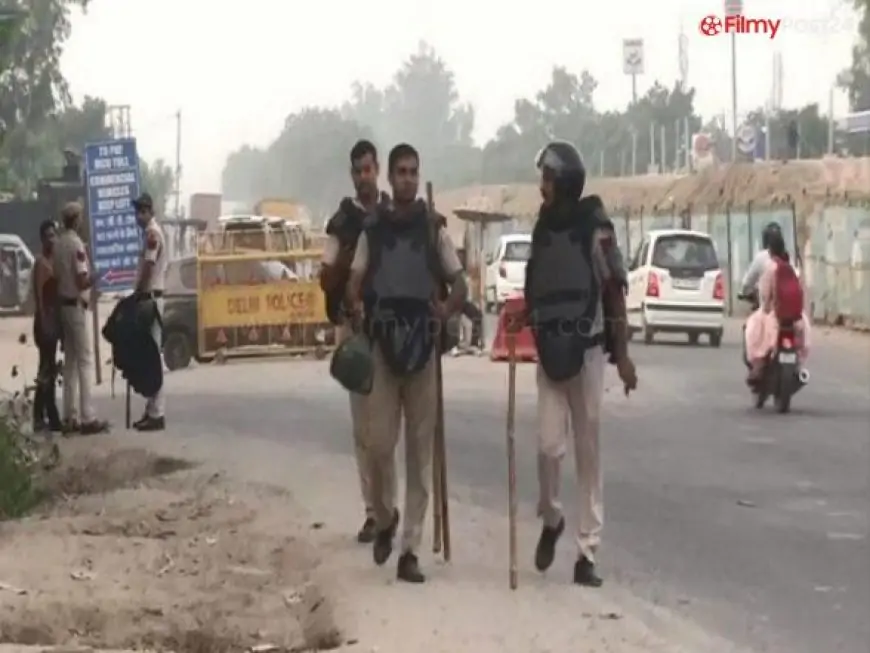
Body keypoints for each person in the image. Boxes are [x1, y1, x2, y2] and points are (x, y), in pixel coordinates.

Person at [506, 141, 637, 587]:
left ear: (562, 182)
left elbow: (613, 290)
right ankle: (552, 516)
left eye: (546, 178)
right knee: (547, 447)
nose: (541, 186)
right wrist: (522, 316)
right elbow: (539, 286)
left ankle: (587, 551)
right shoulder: (543, 230)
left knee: (588, 451)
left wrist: (622, 356)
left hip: (587, 351)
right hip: (549, 349)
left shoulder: (595, 226)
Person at [346, 143, 467, 583]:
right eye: (400, 171)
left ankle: (410, 549)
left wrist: (446, 310)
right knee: (379, 446)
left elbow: (459, 283)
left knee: (420, 456)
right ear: (389, 177)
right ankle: (384, 517)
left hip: (422, 349)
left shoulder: (433, 229)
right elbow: (354, 282)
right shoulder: (372, 230)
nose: (407, 178)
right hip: (382, 347)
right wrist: (355, 306)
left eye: (414, 171)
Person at [320, 139, 393, 543]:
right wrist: (349, 255)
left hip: (391, 330)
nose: (365, 176)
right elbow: (325, 277)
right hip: (356, 332)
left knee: (388, 428)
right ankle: (373, 511)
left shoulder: (391, 215)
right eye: (358, 170)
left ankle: (389, 506)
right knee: (365, 429)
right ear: (352, 174)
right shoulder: (343, 222)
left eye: (369, 169)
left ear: (376, 169)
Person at [52, 202, 108, 435]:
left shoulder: (57, 245)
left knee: (71, 364)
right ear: (75, 220)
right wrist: (98, 275)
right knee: (85, 361)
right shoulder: (76, 245)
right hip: (76, 306)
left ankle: (69, 416)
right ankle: (88, 417)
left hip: (62, 307)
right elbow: (82, 280)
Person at [743, 231, 810, 382]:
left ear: (769, 249)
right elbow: (801, 290)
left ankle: (758, 368)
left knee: (752, 330)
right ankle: (798, 366)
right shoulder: (792, 266)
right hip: (796, 316)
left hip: (775, 315)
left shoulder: (769, 267)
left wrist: (766, 309)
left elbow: (766, 297)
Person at [132, 193, 168, 431]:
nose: (136, 217)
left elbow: (149, 266)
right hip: (151, 298)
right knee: (148, 357)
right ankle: (151, 409)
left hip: (151, 298)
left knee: (154, 359)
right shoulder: (150, 233)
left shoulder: (152, 234)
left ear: (147, 211)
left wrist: (138, 291)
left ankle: (157, 413)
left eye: (139, 212)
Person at [32, 219, 61, 432]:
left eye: (54, 235)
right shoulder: (41, 263)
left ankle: (45, 415)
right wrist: (45, 324)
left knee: (48, 369)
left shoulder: (54, 261)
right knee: (46, 369)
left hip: (53, 319)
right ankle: (45, 415)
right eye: (49, 235)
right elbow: (41, 298)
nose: (53, 239)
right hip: (45, 321)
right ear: (43, 238)